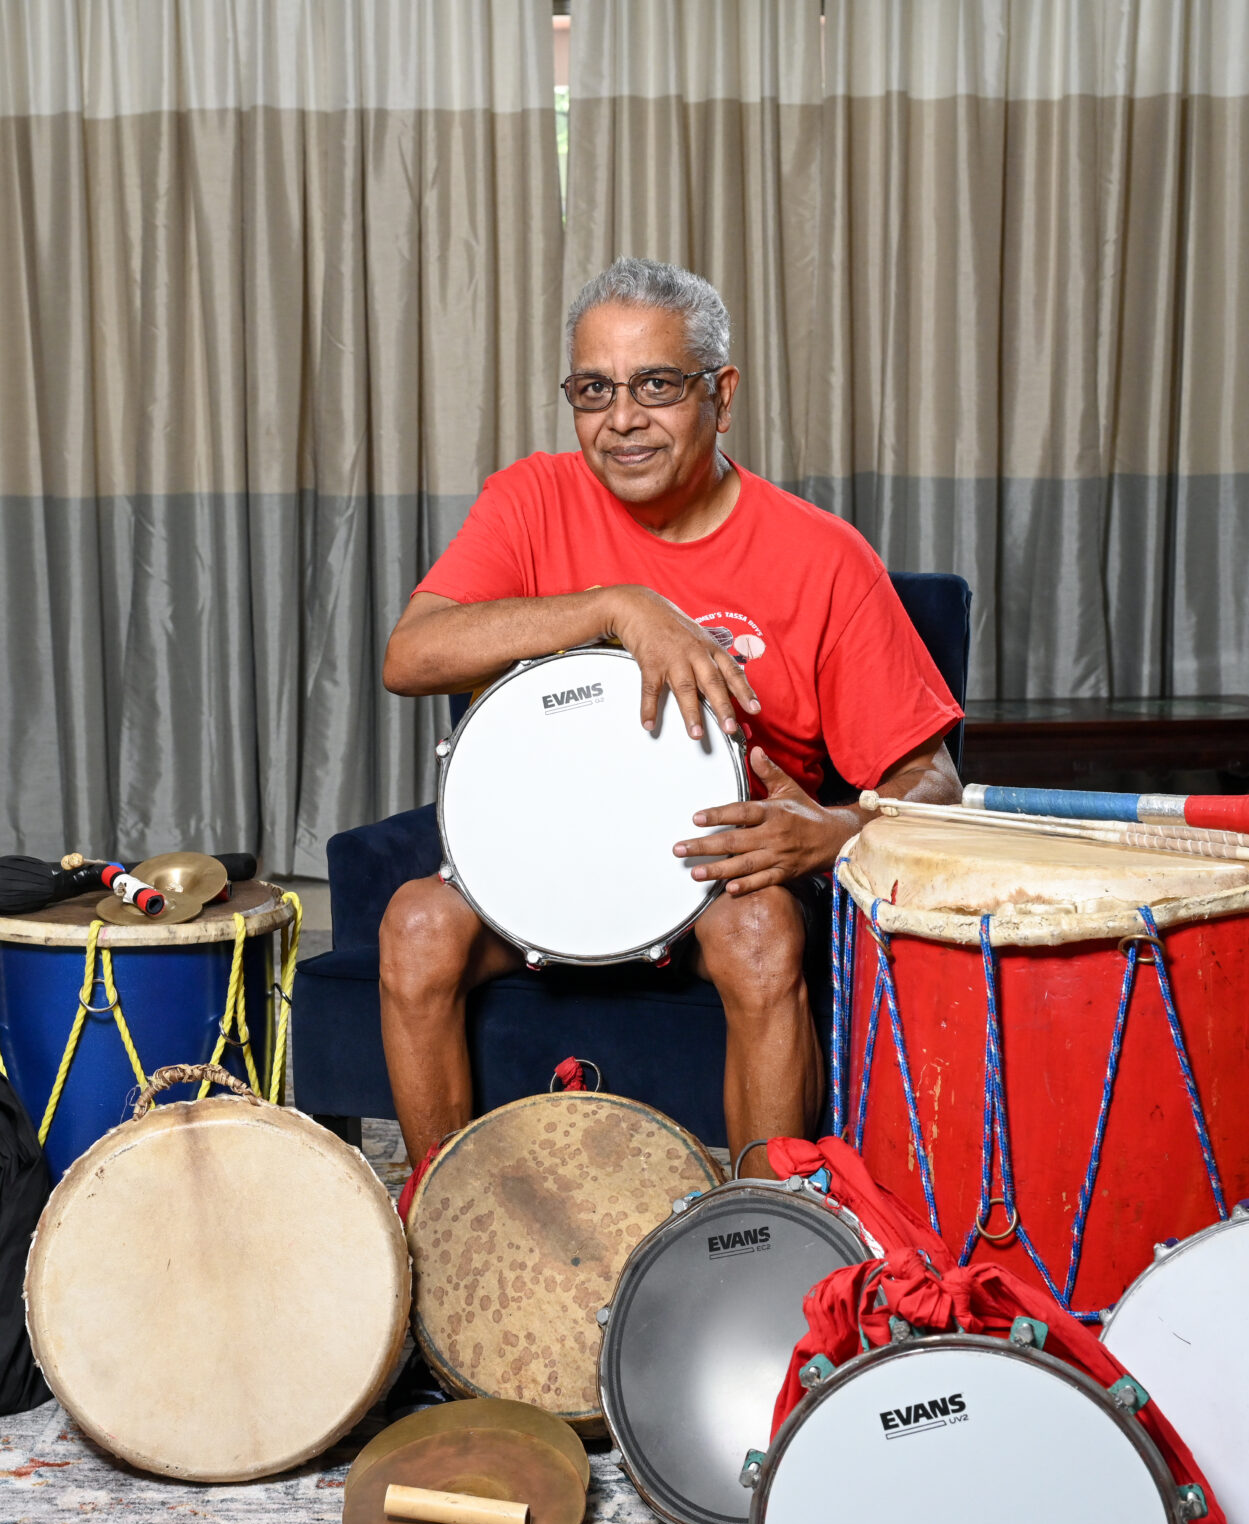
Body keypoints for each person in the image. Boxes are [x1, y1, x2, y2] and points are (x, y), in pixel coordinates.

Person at [379, 258, 962, 1174]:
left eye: (657, 384)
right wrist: (618, 606)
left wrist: (836, 830)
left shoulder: (823, 558)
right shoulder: (532, 498)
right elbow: (409, 655)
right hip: (548, 857)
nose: (622, 421)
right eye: (593, 389)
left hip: (717, 873)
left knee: (762, 931)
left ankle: (770, 1232)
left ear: (721, 396)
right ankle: (450, 1226)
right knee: (414, 922)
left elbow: (936, 782)